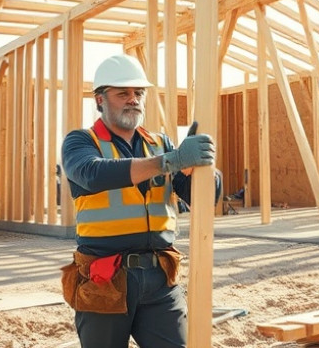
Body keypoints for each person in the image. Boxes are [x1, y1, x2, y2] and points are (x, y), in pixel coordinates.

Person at [60, 53, 218, 348]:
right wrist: (169, 161)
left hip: (159, 277)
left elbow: (202, 197)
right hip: (105, 279)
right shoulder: (81, 142)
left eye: (138, 93)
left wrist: (204, 167)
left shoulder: (160, 144)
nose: (133, 99)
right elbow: (92, 174)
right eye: (123, 93)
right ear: (100, 100)